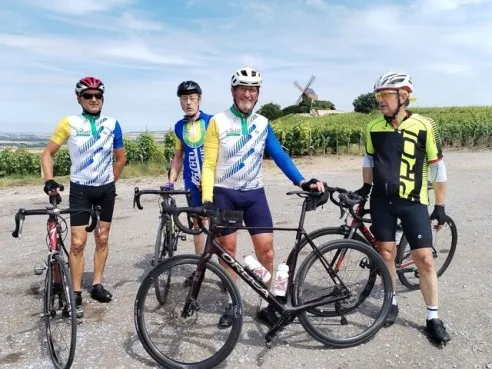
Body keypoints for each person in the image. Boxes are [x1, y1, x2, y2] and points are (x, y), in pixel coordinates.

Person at [201, 67, 324, 329]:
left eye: (253, 89)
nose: (248, 93)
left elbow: (279, 155)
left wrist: (301, 180)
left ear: (257, 94)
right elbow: (209, 164)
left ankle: (265, 302)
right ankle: (232, 305)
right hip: (225, 193)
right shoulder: (217, 122)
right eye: (243, 88)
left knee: (266, 250)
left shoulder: (262, 123)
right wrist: (207, 199)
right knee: (228, 252)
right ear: (233, 91)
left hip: (254, 193)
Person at [354, 71, 451, 344]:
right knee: (386, 254)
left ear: (403, 96)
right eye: (378, 96)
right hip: (383, 202)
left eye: (385, 95)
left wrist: (440, 205)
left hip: (414, 202)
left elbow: (437, 167)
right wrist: (365, 187)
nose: (380, 101)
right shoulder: (373, 127)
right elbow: (369, 158)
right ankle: (391, 301)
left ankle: (433, 317)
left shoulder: (424, 125)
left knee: (425, 259)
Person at [41, 76, 126, 318]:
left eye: (98, 95)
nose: (94, 99)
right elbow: (48, 153)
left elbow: (120, 159)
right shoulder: (70, 122)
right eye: (88, 95)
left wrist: (110, 182)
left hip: (105, 189)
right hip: (80, 190)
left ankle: (96, 284)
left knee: (102, 238)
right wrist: (48, 180)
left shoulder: (112, 124)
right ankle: (76, 292)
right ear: (79, 98)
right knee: (78, 243)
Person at [164, 81, 212, 257]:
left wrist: (210, 180)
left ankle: (223, 271)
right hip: (191, 183)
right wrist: (170, 181)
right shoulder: (179, 127)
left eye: (192, 98)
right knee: (197, 224)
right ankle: (200, 267)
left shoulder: (211, 121)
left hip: (213, 182)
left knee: (219, 225)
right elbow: (178, 157)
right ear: (180, 102)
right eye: (184, 99)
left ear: (199, 100)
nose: (188, 102)